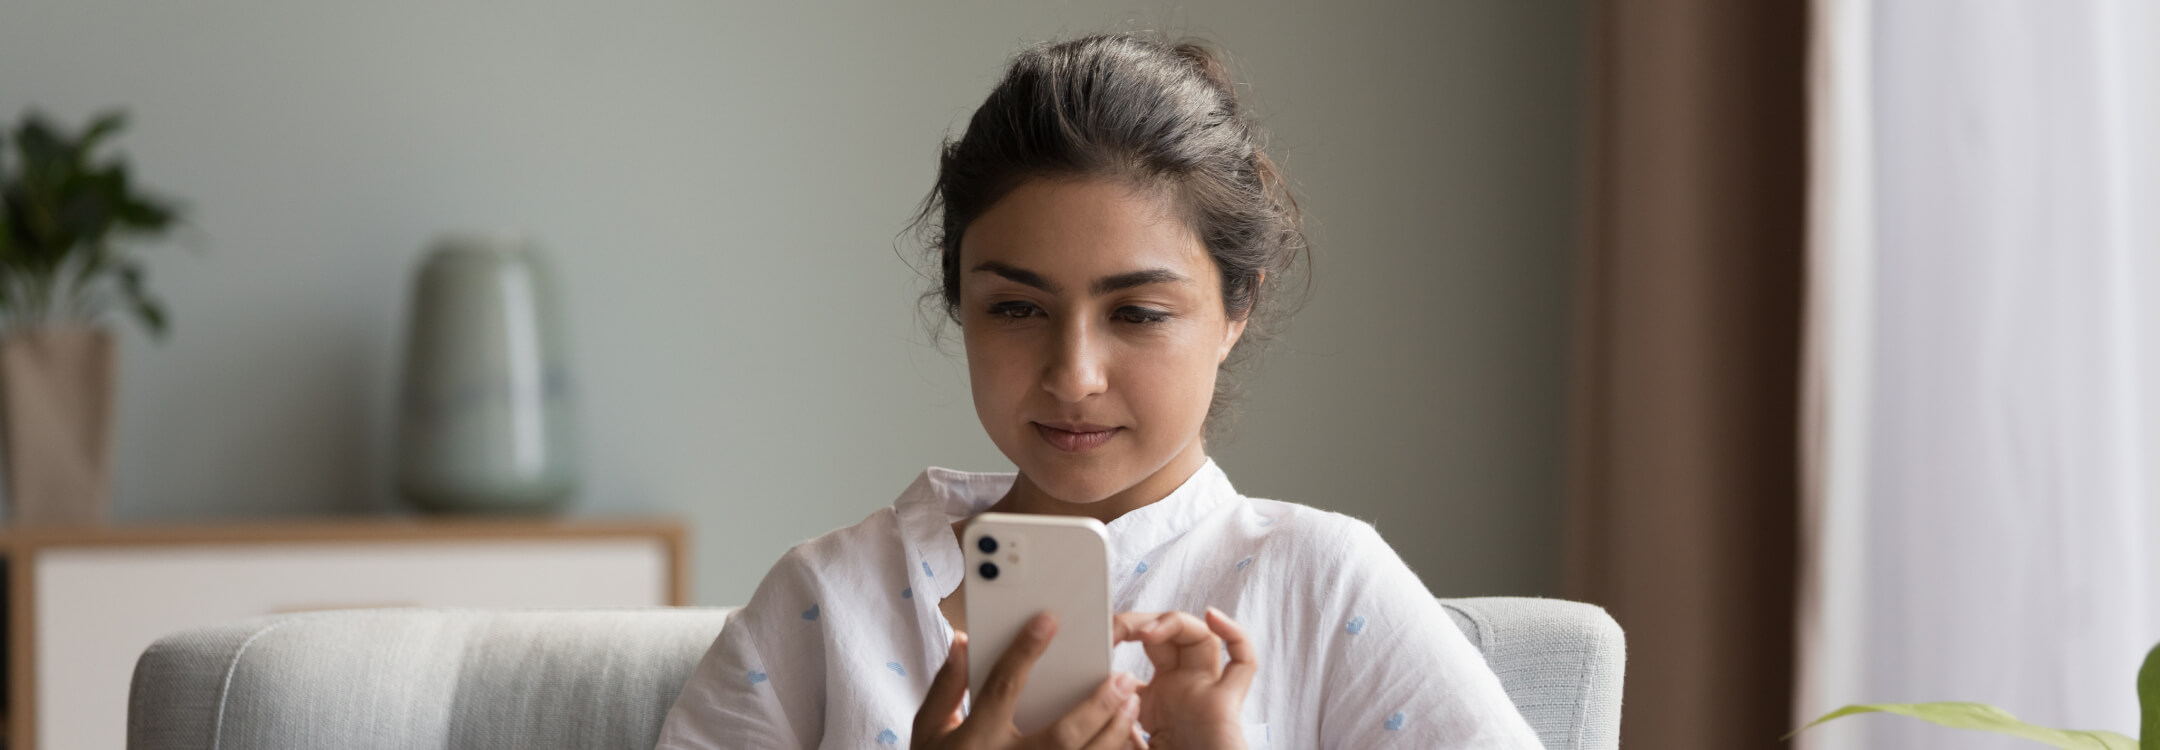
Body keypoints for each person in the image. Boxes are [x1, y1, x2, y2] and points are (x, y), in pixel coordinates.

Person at [656, 32, 1542, 750]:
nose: (1073, 375)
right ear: (958, 301)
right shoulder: (831, 600)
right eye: (1015, 307)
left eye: (1140, 314)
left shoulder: (1325, 586)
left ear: (1237, 310)